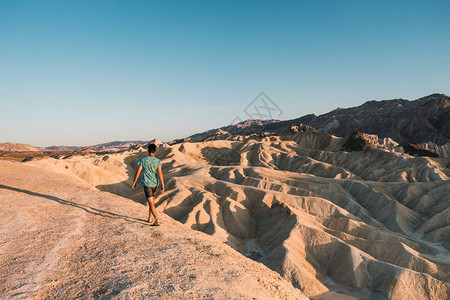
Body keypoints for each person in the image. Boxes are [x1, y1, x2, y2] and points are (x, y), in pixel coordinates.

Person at [132, 143, 165, 225]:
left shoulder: (143, 160)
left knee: (150, 203)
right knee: (152, 203)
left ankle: (156, 219)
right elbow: (160, 173)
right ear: (155, 152)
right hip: (155, 184)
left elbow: (138, 172)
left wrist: (134, 182)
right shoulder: (158, 161)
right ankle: (150, 218)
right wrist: (162, 184)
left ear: (148, 151)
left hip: (147, 183)